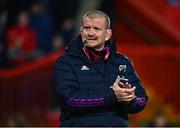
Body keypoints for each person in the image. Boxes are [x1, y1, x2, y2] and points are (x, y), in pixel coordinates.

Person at [54, 10, 148, 127]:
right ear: (81, 31)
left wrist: (128, 99)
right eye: (87, 28)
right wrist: (112, 95)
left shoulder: (122, 61)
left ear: (108, 34)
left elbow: (142, 100)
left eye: (96, 29)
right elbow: (71, 100)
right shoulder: (66, 62)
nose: (90, 33)